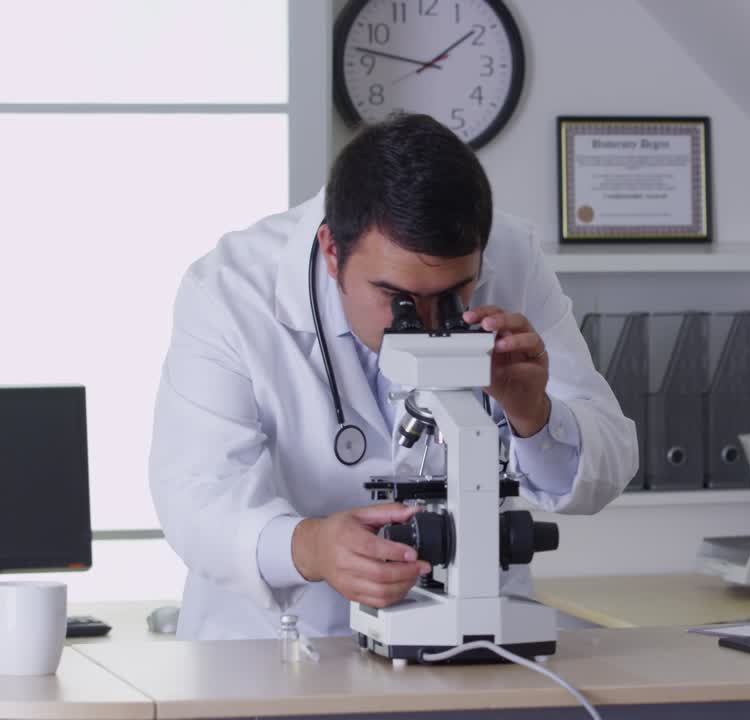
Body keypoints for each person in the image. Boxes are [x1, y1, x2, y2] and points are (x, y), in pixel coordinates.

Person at [149, 113, 638, 640]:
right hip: (280, 645)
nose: (427, 325)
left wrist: (532, 415)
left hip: (474, 637)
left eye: (453, 295)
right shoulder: (231, 289)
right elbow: (196, 498)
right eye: (398, 299)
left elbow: (608, 464)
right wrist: (311, 545)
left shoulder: (512, 255)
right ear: (333, 252)